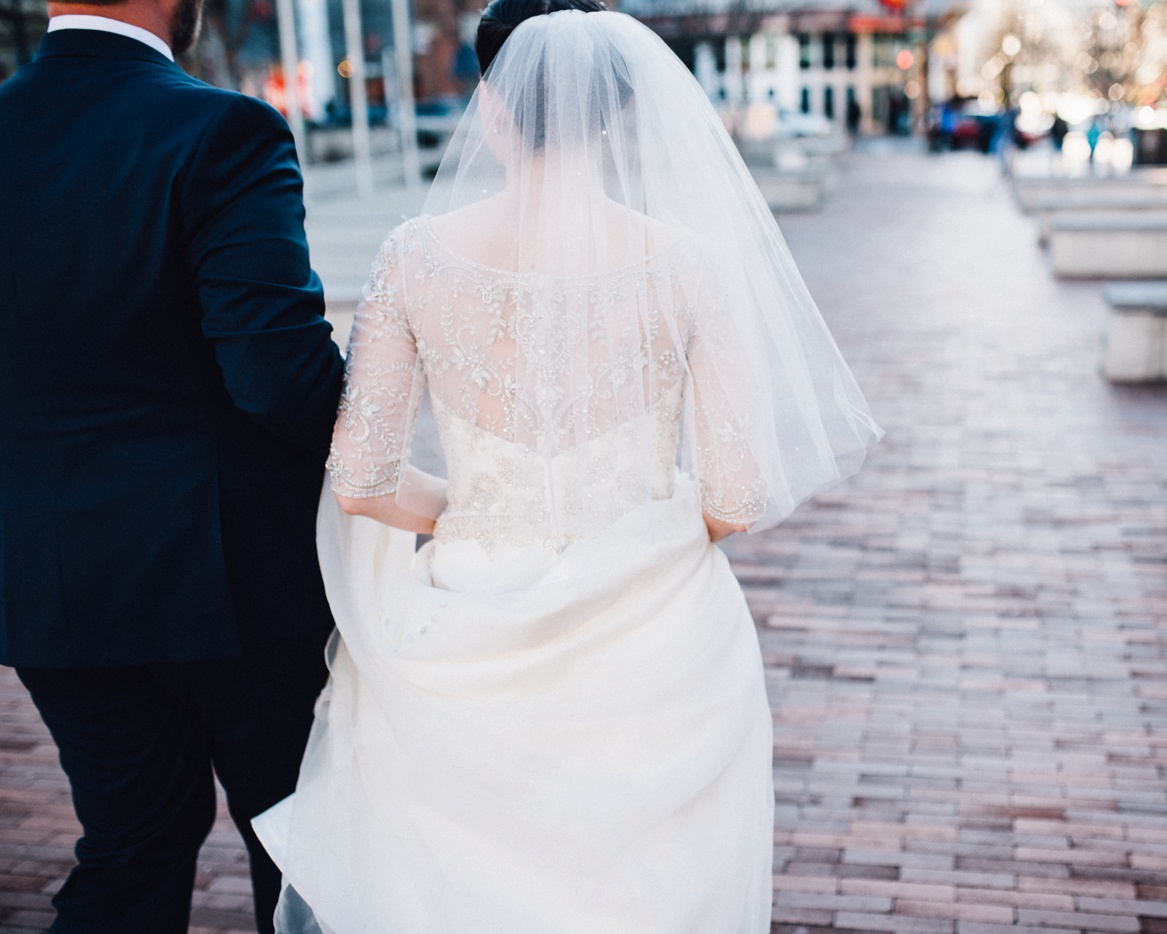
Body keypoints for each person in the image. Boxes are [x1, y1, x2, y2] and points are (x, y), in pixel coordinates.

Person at [252, 2, 882, 931]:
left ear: (491, 109)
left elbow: (362, 482)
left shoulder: (413, 257)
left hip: (467, 619)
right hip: (656, 633)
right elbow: (738, 498)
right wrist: (636, 525)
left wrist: (473, 511)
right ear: (617, 115)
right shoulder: (690, 264)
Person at [0, 0, 345, 930]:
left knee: (128, 850)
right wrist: (375, 439)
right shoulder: (222, 129)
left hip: (52, 584)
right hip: (235, 582)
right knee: (301, 845)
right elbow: (276, 373)